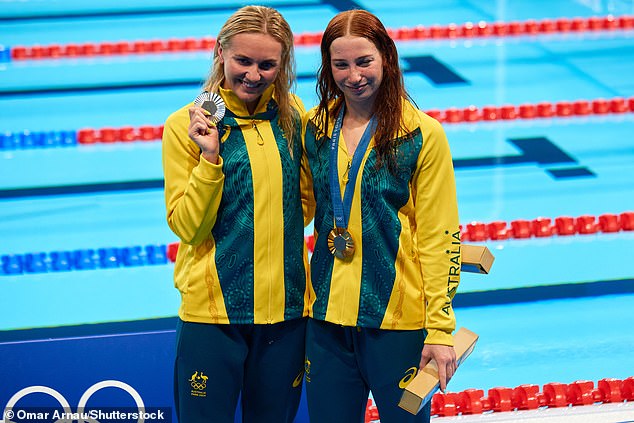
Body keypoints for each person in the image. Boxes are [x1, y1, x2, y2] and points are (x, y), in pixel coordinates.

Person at [301, 9, 461, 423]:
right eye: (341, 65)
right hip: (326, 322)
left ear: (386, 58)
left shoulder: (421, 134)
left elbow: (439, 234)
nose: (353, 75)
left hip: (398, 325)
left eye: (364, 61)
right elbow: (296, 208)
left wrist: (440, 329)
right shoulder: (315, 129)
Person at [161, 6, 311, 423]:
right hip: (213, 317)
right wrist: (210, 159)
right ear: (220, 54)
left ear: (282, 65)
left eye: (267, 64)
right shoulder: (183, 126)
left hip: (286, 314)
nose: (253, 74)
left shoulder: (294, 117)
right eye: (243, 61)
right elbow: (187, 226)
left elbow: (303, 205)